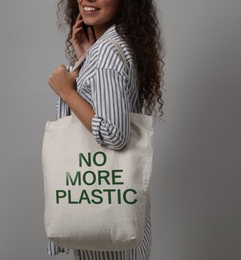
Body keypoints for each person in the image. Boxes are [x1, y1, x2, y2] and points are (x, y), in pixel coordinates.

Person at [47, 0, 164, 259]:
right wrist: (85, 59)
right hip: (119, 216)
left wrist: (67, 91)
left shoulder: (108, 54)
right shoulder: (116, 45)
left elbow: (114, 133)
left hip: (105, 234)